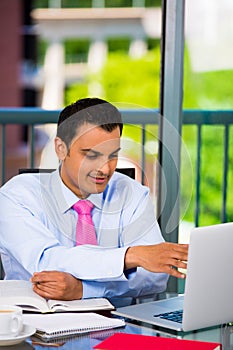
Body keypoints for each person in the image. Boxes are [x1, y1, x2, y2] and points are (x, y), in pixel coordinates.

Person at [0, 98, 188, 306]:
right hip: (34, 324)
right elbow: (46, 261)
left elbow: (155, 276)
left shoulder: (131, 192)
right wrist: (130, 257)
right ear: (61, 148)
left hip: (118, 322)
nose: (105, 169)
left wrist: (84, 290)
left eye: (113, 155)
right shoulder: (17, 195)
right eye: (91, 155)